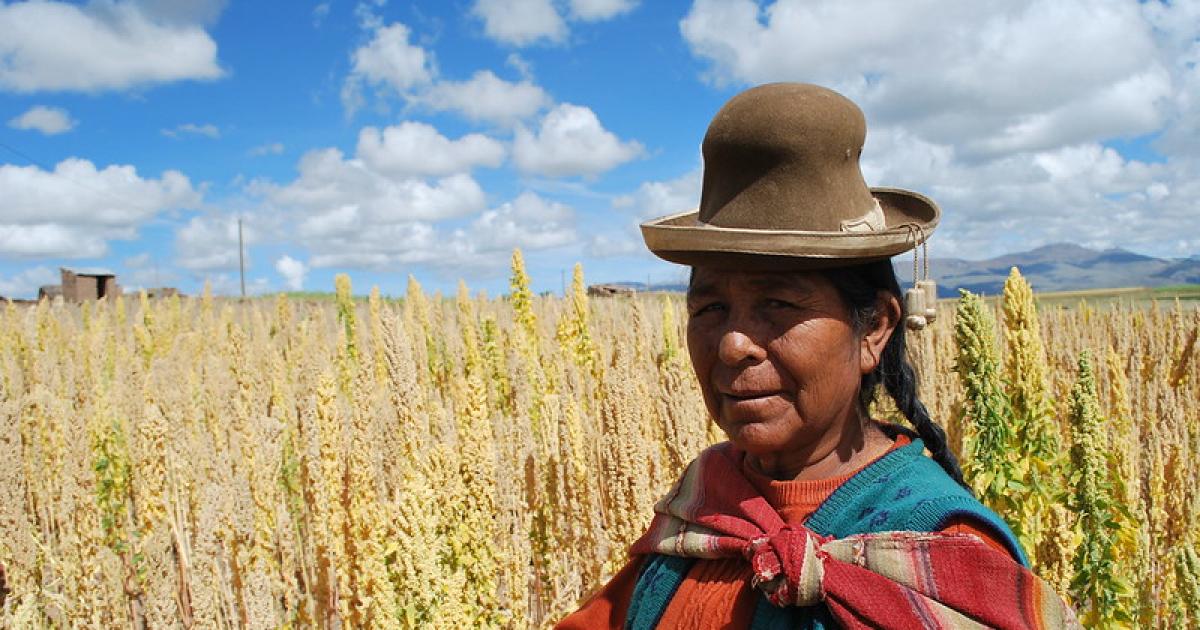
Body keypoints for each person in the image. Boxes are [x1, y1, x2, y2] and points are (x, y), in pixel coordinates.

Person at [556, 83, 1077, 629]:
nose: (733, 345)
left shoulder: (940, 552)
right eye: (709, 307)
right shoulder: (705, 506)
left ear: (874, 328)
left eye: (777, 303)